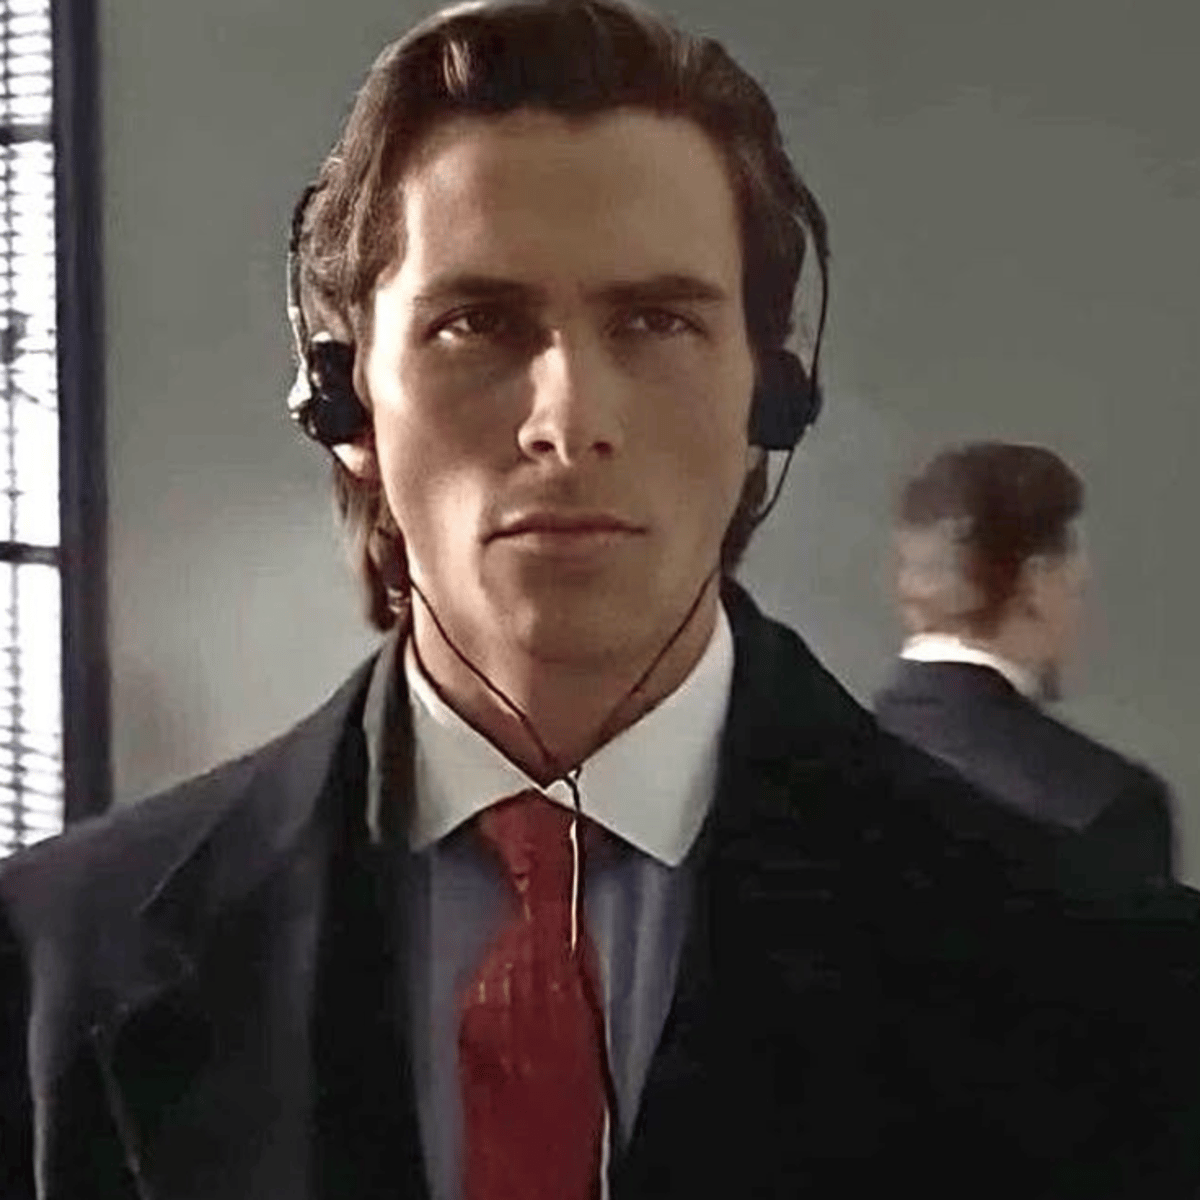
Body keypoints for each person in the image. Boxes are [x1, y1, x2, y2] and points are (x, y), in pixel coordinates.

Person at [2, 4, 1199, 1198]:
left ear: (770, 397)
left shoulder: (1115, 985)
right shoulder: (48, 966)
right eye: (478, 323)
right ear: (343, 399)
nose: (569, 421)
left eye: (656, 321)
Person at [875, 441, 1176, 892]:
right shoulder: (1103, 804)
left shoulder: (802, 762)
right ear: (1035, 586)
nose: (1078, 617)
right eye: (1074, 589)